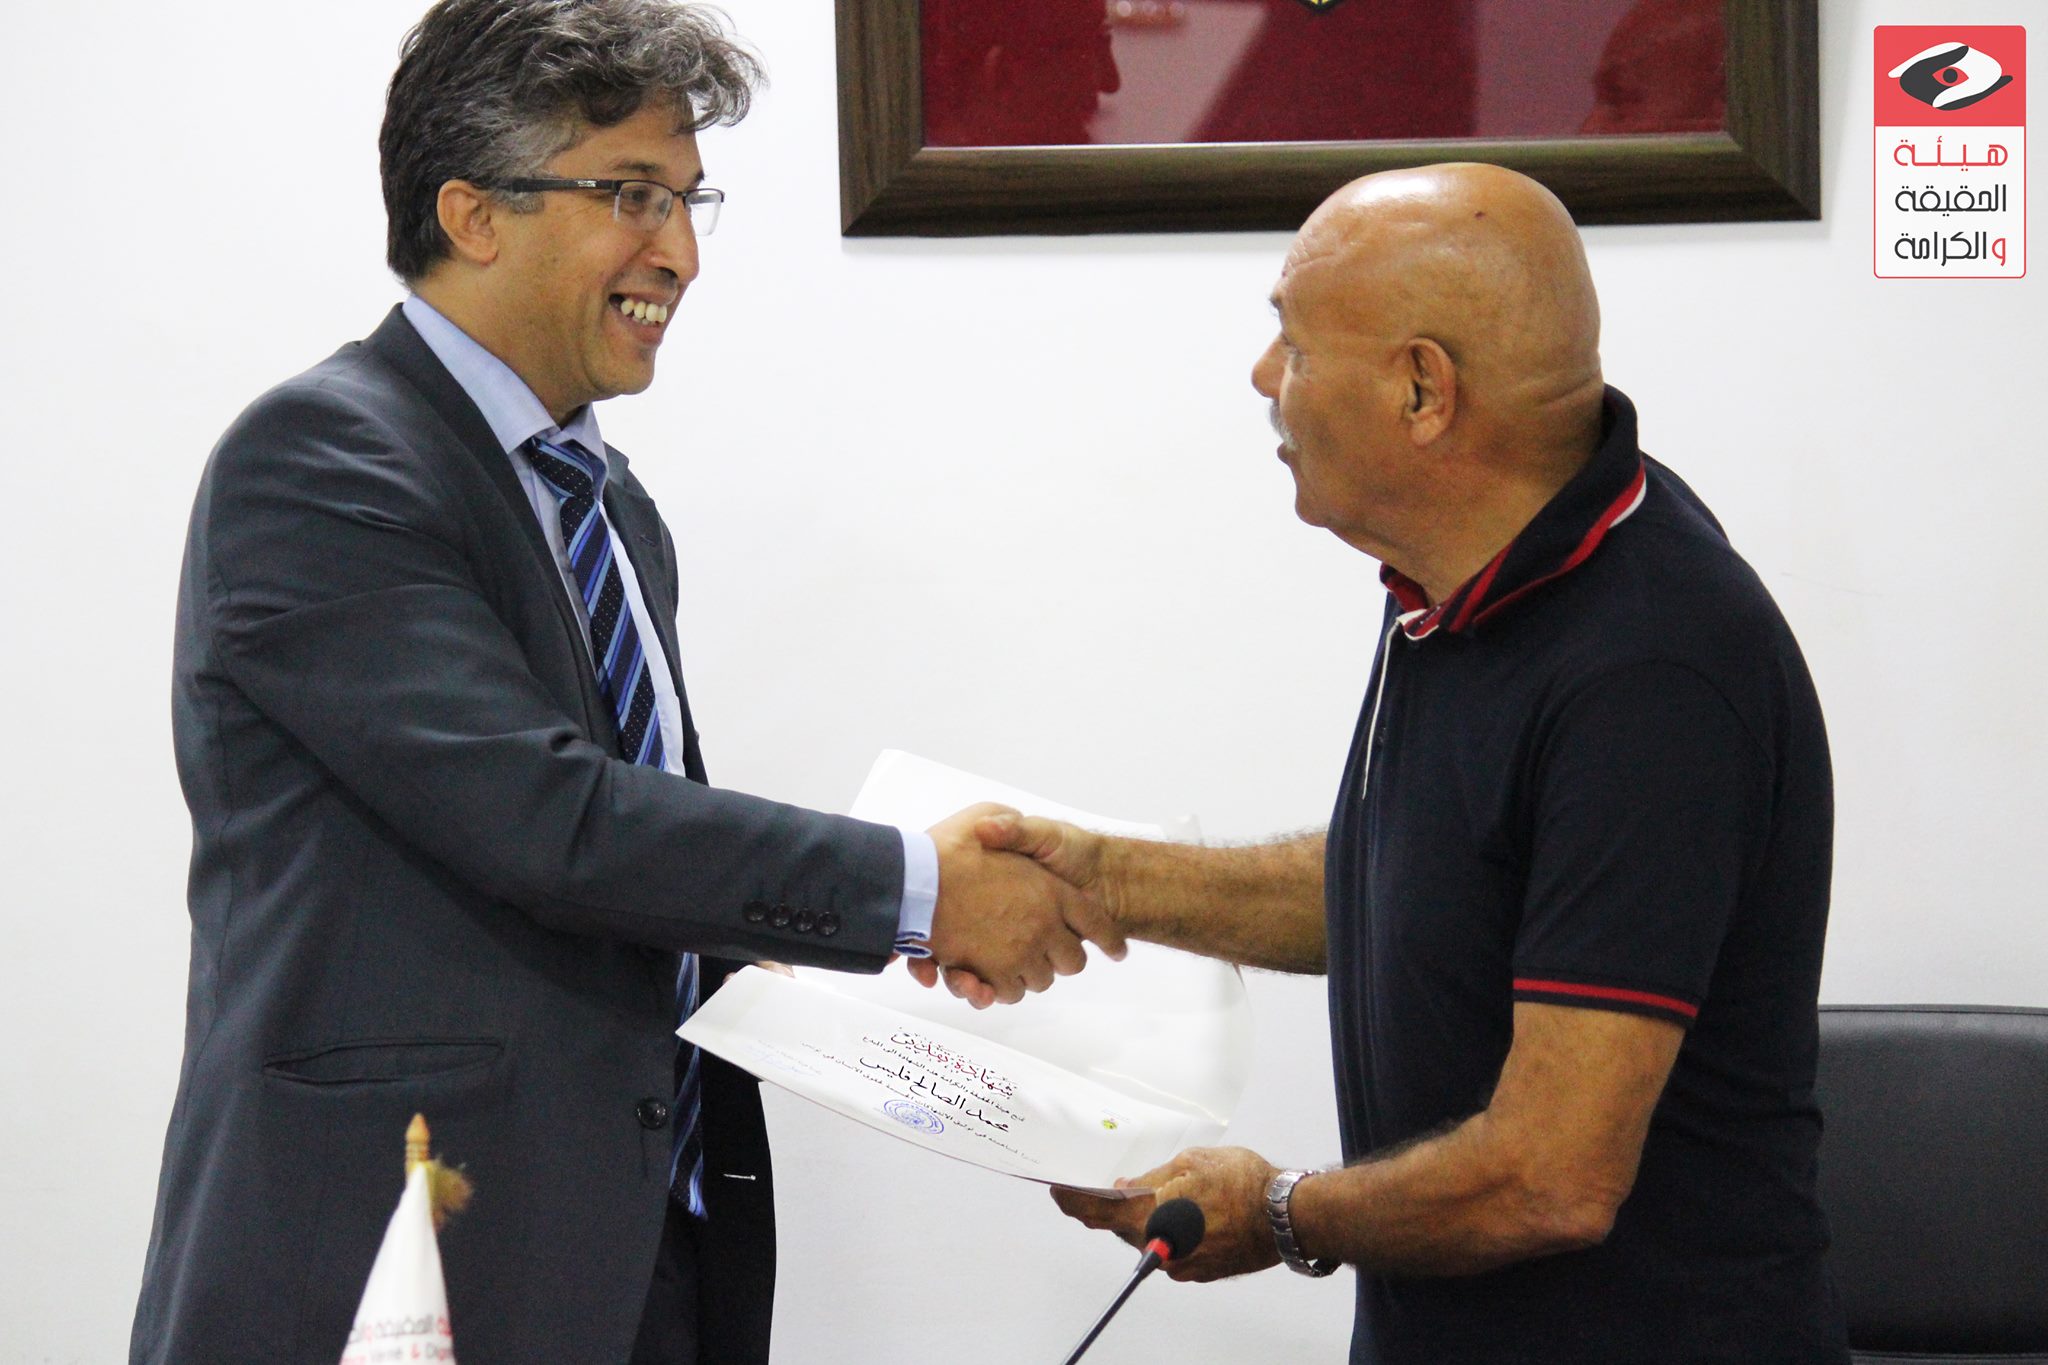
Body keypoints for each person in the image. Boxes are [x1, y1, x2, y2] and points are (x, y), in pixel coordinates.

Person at [128, 3, 1119, 1362]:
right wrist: (921, 891)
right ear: (473, 214)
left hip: (643, 1256)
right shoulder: (320, 461)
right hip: (403, 1261)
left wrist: (939, 1001)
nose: (682, 254)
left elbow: (635, 877)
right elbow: (551, 822)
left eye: (689, 200)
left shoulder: (607, 507)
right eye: (632, 196)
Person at [952, 163, 1849, 1362]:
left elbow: (1548, 1180)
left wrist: (1278, 1213)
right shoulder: (1461, 571)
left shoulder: (1651, 667)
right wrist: (1100, 879)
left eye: (1291, 344)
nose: (1261, 379)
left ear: (1421, 390)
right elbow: (1431, 881)